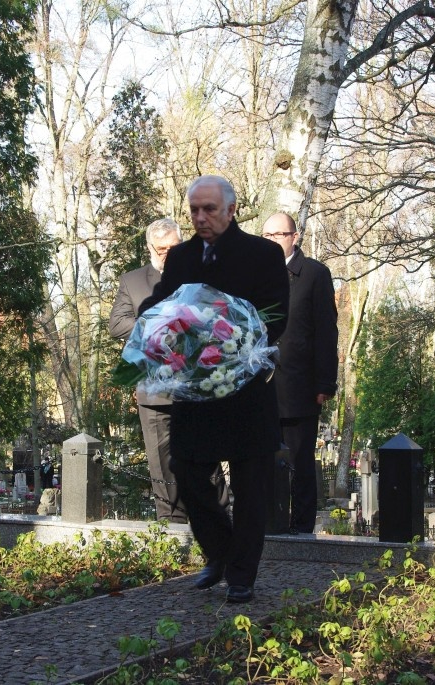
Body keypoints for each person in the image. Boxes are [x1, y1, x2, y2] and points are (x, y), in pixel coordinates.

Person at [140, 175, 289, 603]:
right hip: (196, 390)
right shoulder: (183, 256)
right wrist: (150, 323)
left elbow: (276, 314)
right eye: (194, 211)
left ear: (231, 209)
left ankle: (242, 575)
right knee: (185, 471)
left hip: (244, 389)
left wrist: (228, 336)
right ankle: (221, 552)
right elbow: (164, 300)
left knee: (250, 485)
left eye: (209, 209)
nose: (201, 218)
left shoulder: (263, 254)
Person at [110, 218, 229, 523]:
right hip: (154, 389)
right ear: (150, 248)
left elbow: (222, 319)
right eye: (160, 249)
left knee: (205, 455)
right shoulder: (133, 281)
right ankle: (171, 522)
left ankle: (216, 515)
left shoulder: (204, 275)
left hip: (198, 385)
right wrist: (157, 326)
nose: (166, 254)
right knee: (162, 461)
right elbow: (117, 324)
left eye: (172, 248)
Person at [261, 213, 339, 534]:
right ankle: (269, 524)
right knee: (264, 461)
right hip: (261, 387)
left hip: (300, 387)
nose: (272, 241)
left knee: (300, 464)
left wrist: (325, 382)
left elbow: (326, 332)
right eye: (266, 236)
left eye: (278, 234)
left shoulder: (315, 274)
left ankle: (302, 530)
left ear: (294, 236)